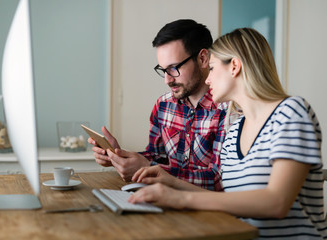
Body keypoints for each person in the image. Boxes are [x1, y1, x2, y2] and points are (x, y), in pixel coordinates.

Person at [128, 28, 327, 239]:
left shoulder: (290, 112)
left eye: (212, 69)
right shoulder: (235, 131)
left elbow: (276, 203)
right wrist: (170, 181)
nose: (207, 79)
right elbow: (228, 199)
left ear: (234, 66)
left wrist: (179, 198)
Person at [88, 19, 228, 190]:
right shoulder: (164, 105)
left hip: (209, 212)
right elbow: (157, 156)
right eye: (163, 70)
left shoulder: (227, 110)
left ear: (203, 58)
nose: (167, 80)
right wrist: (119, 156)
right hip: (166, 203)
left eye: (174, 68)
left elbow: (218, 180)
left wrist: (148, 169)